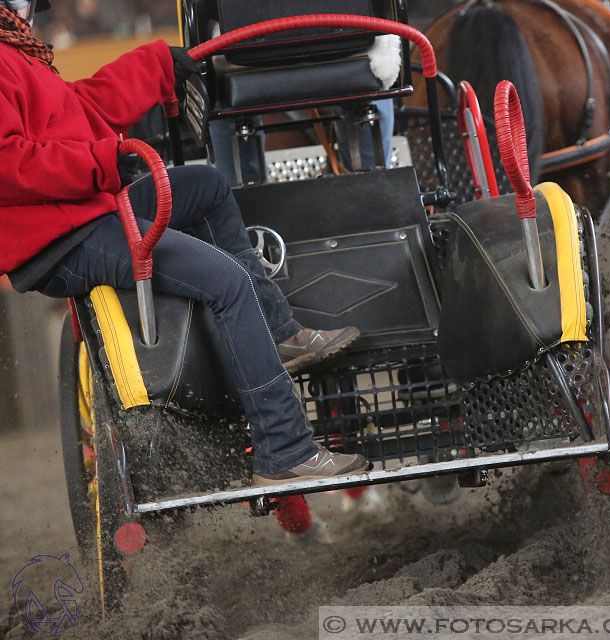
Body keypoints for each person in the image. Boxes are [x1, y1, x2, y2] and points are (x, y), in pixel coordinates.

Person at [0, 0, 370, 484]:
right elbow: (10, 164)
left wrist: (153, 67)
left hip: (84, 211)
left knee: (206, 185)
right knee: (228, 281)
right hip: (63, 238)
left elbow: (77, 111)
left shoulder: (18, 51)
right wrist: (104, 161)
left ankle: (277, 333)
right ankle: (284, 450)